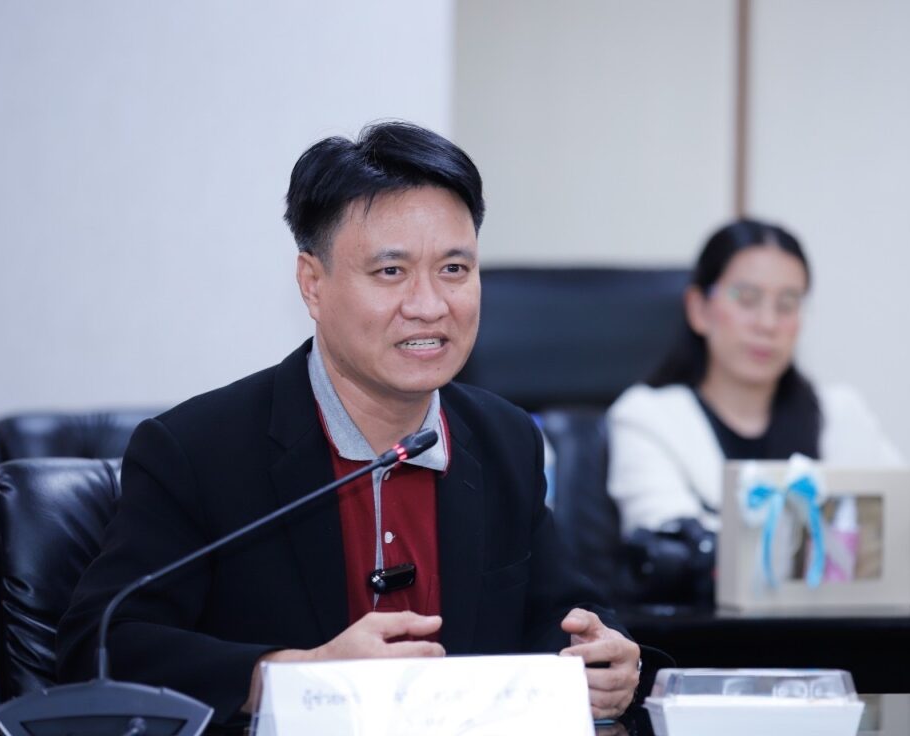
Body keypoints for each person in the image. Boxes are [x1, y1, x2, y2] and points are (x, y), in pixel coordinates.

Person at [57, 121, 640, 724]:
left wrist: (606, 658)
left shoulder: (504, 438)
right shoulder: (198, 450)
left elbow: (564, 612)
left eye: (454, 269)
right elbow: (99, 647)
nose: (429, 305)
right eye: (391, 272)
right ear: (313, 284)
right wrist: (293, 676)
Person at [607, 218, 901, 537]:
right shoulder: (648, 419)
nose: (767, 324)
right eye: (747, 299)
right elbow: (667, 541)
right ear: (699, 309)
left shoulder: (839, 415)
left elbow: (905, 519)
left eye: (787, 304)